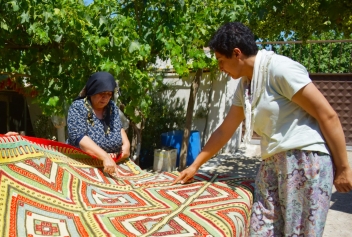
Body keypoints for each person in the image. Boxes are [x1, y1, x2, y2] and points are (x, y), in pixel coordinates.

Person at [173, 22, 352, 236]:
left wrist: (343, 168)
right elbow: (225, 130)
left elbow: (328, 115)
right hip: (272, 164)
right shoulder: (246, 84)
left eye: (221, 60)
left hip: (304, 162)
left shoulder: (280, 70)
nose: (220, 67)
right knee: (261, 229)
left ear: (236, 53)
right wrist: (195, 166)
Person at [67, 71, 130, 175]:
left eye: (109, 94)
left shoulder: (111, 107)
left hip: (114, 161)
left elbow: (119, 127)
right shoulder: (78, 107)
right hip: (83, 164)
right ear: (92, 91)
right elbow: (79, 137)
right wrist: (105, 157)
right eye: (101, 93)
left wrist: (126, 144)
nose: (105, 98)